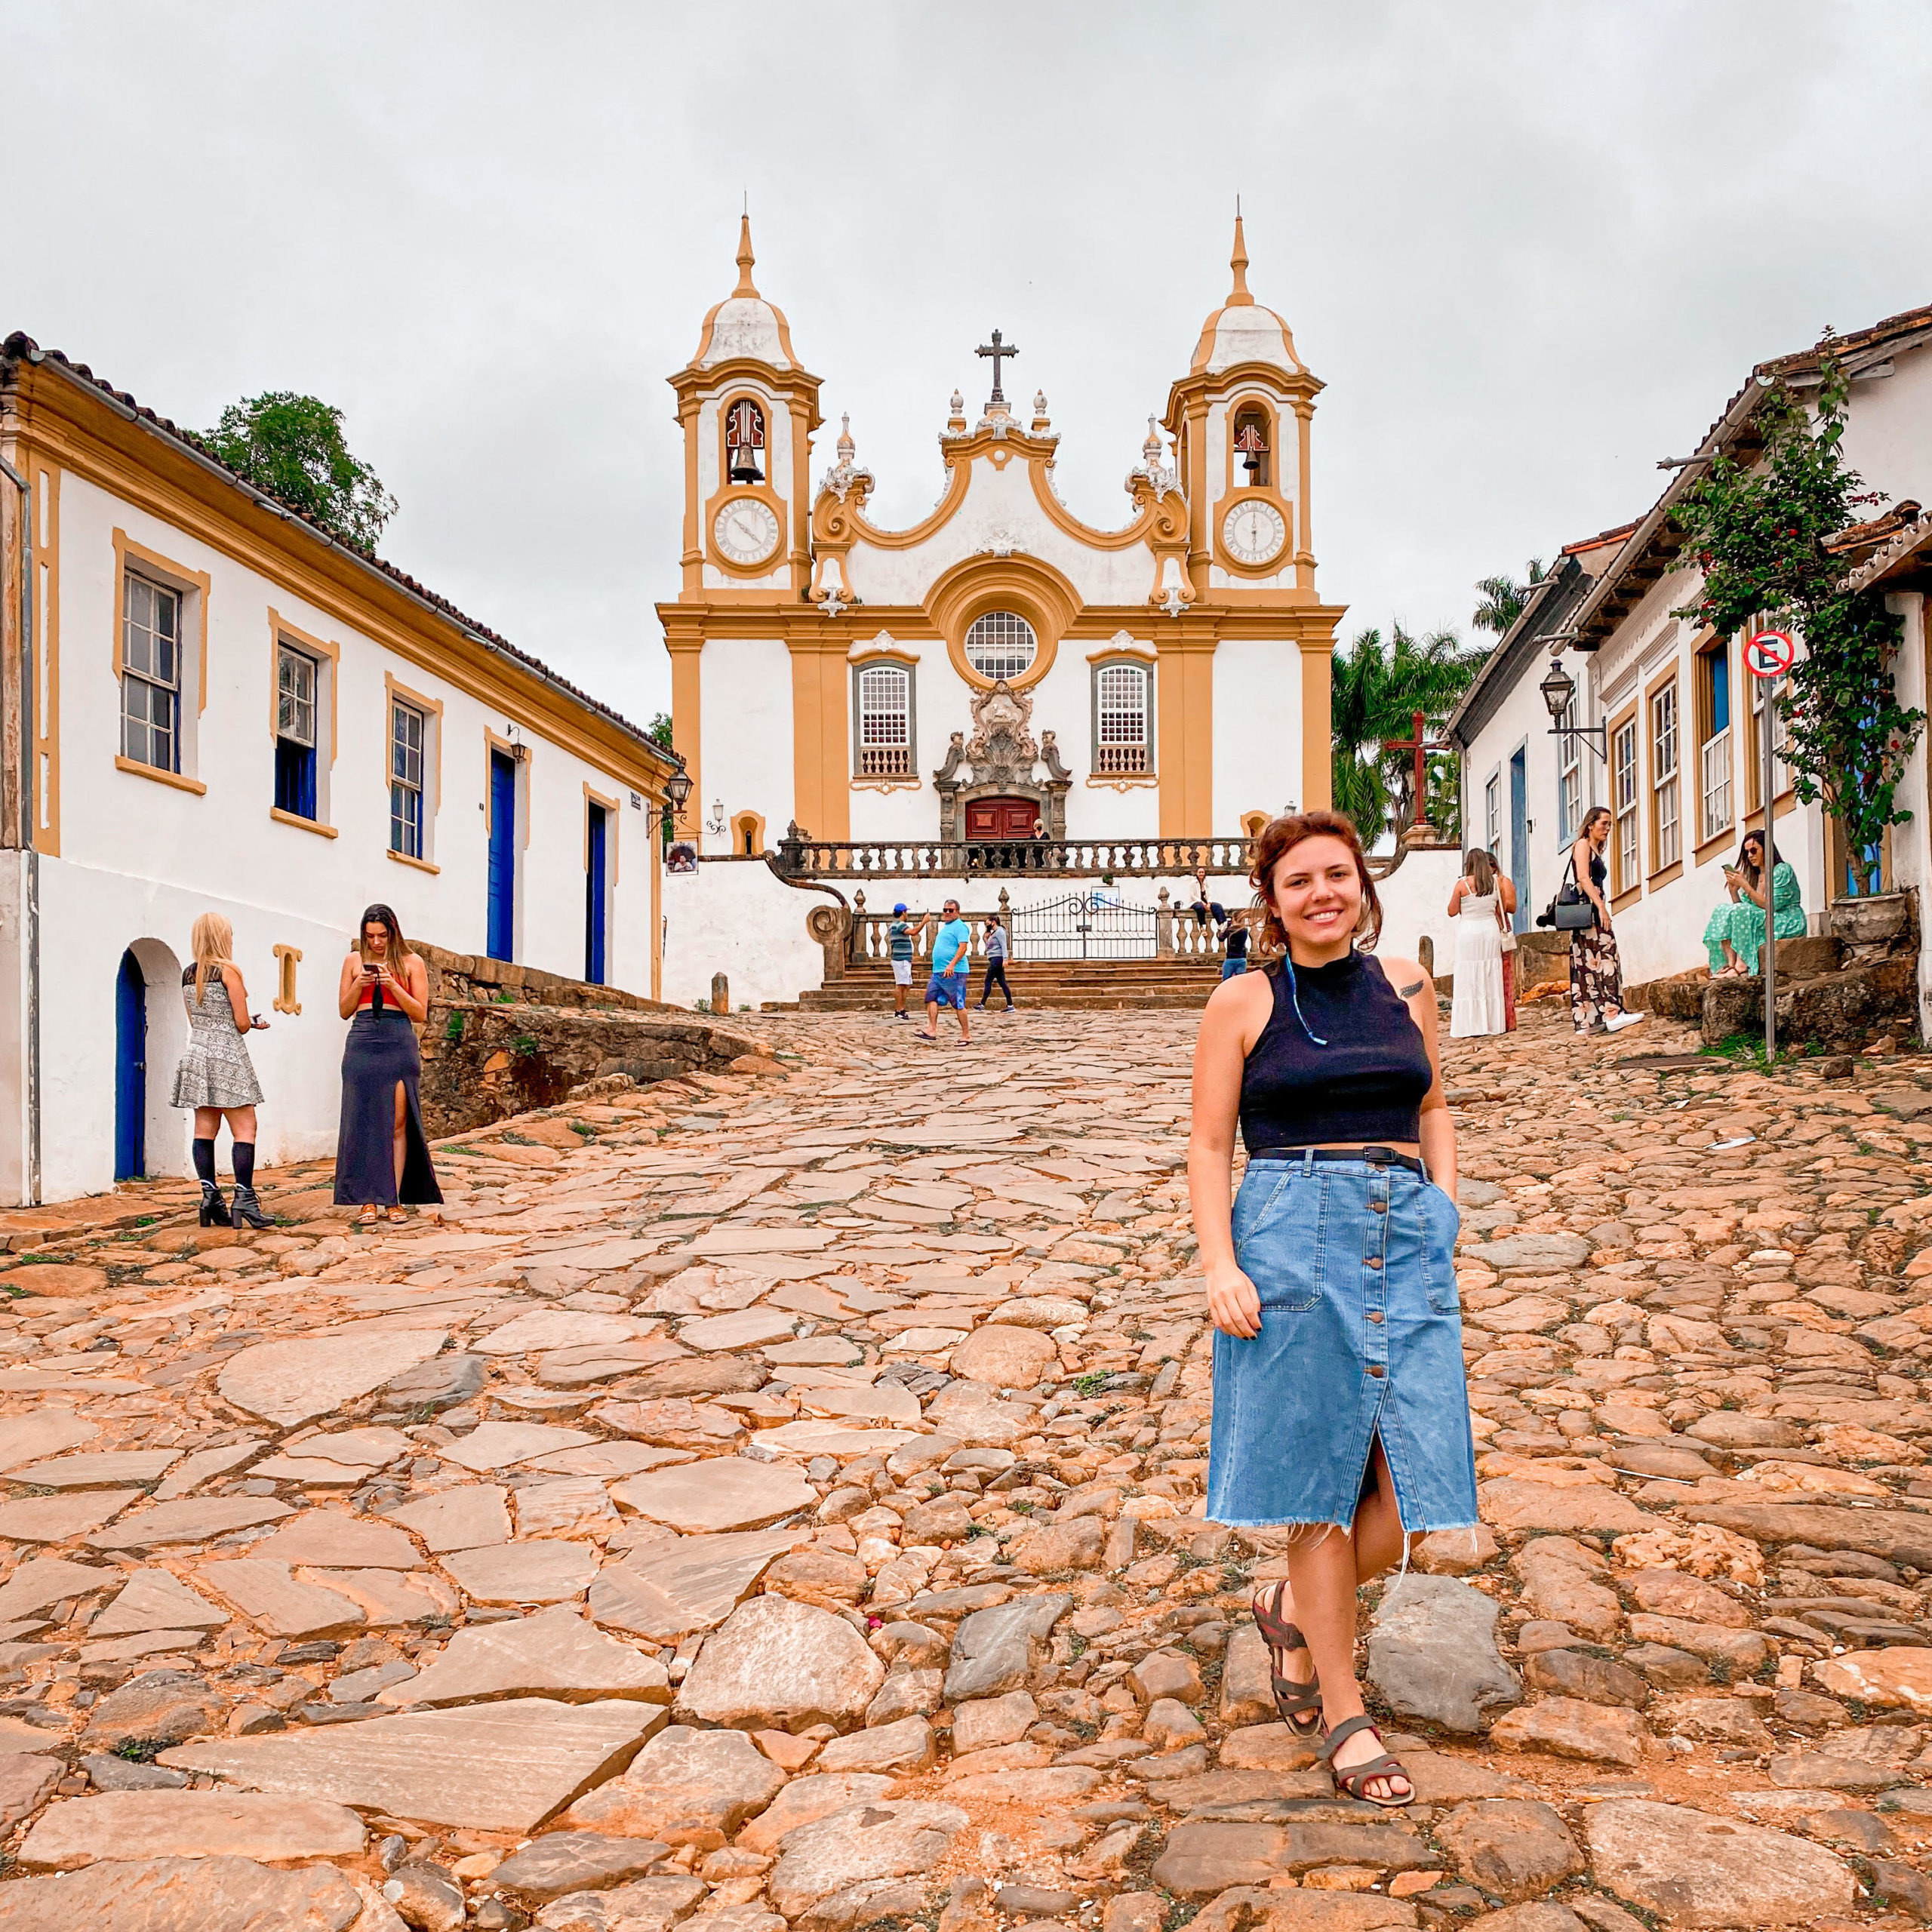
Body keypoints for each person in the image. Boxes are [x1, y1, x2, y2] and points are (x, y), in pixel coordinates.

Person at [1190, 809, 1475, 1810]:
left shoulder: (1406, 986)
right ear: (1272, 902)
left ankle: (1290, 1608)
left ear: (1363, 885)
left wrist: (1444, 1202)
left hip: (1405, 1235)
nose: (1321, 893)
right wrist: (1220, 1262)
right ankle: (1347, 1713)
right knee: (1320, 1481)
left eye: (1337, 876)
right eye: (1298, 881)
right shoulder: (1242, 1001)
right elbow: (1207, 1146)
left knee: (1412, 1494)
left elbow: (1432, 1102)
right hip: (1292, 1234)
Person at [335, 903, 442, 1226]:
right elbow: (344, 1009)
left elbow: (420, 1012)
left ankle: (393, 1199)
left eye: (382, 935)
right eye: (370, 936)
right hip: (363, 1038)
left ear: (393, 932)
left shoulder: (412, 962)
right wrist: (360, 984)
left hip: (398, 1039)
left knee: (397, 1121)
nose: (377, 942)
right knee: (363, 1120)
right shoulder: (353, 961)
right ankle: (368, 1200)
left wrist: (393, 984)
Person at [170, 913, 270, 1228]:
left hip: (198, 1055)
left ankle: (210, 1197)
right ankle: (244, 1198)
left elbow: (196, 1020)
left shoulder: (189, 974)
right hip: (227, 1056)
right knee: (245, 1128)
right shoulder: (228, 971)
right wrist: (252, 1022)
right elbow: (239, 1024)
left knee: (205, 1129)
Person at [1567, 806, 1644, 1036]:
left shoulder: (1594, 849)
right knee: (1605, 956)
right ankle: (1611, 1012)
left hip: (1592, 907)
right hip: (1589, 910)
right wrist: (1601, 907)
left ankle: (1593, 1017)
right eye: (1604, 824)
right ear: (1590, 824)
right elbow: (1582, 876)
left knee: (1591, 960)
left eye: (1610, 824)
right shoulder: (1582, 845)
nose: (1608, 828)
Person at [1705, 830, 1804, 976]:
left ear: (1767, 849)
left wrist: (1745, 885)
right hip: (1764, 920)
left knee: (1741, 911)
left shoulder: (1782, 870)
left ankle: (1741, 964)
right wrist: (1734, 891)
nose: (1750, 856)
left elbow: (1771, 906)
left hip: (1786, 920)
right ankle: (1731, 964)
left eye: (1754, 850)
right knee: (1722, 910)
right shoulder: (1754, 876)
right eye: (1747, 853)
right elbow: (1743, 910)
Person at [1447, 849, 1508, 1038]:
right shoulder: (1496, 883)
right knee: (1490, 974)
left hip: (1469, 932)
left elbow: (1451, 911)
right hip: (1490, 931)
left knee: (1469, 976)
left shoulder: (1462, 885)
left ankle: (1470, 1025)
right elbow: (1501, 908)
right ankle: (1493, 1023)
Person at [919, 897, 974, 1045]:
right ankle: (932, 1029)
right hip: (938, 972)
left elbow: (963, 947)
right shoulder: (946, 927)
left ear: (957, 912)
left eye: (951, 910)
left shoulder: (960, 927)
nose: (947, 913)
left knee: (959, 1003)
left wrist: (951, 965)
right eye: (945, 910)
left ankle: (966, 1035)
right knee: (931, 998)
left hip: (954, 972)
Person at [1488, 848, 1519, 1031]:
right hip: (1484, 927)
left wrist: (1494, 900)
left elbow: (1512, 906)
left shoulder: (1503, 881)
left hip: (1499, 925)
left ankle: (1507, 1018)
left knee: (1504, 972)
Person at [978, 912, 1015, 1011]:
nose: (987, 925)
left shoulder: (1000, 931)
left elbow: (1004, 945)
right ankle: (1010, 1005)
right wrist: (985, 938)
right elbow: (989, 948)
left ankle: (982, 1004)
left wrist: (1005, 959)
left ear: (993, 922)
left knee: (988, 981)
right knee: (1002, 982)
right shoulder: (993, 933)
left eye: (988, 923)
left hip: (997, 959)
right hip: (994, 959)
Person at [886, 902, 916, 1020]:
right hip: (901, 959)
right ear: (903, 912)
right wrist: (924, 922)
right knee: (901, 985)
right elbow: (913, 932)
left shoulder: (895, 925)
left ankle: (901, 1008)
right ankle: (899, 1010)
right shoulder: (899, 925)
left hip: (903, 959)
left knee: (906, 985)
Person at [1220, 908, 1251, 980]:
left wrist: (1223, 929)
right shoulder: (1245, 930)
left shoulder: (1229, 930)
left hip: (1231, 958)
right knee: (1240, 980)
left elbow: (1221, 938)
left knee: (1226, 979)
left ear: (1233, 919)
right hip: (1242, 957)